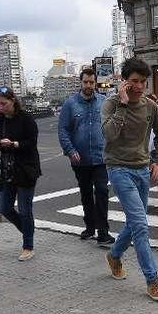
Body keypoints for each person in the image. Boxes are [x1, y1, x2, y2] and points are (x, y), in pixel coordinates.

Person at [101, 57, 158, 301]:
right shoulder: (110, 104)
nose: (139, 86)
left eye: (143, 82)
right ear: (123, 81)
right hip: (118, 169)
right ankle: (153, 281)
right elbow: (109, 135)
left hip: (142, 169)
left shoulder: (150, 107)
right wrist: (121, 104)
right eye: (134, 81)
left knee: (134, 222)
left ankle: (114, 255)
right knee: (140, 224)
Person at [0, 86, 41, 260]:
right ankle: (28, 230)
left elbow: (31, 143)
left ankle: (28, 245)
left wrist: (13, 144)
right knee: (5, 208)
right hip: (4, 169)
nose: (0, 107)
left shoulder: (26, 118)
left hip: (25, 168)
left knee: (25, 210)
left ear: (13, 101)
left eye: (3, 103)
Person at [58, 68, 113, 244]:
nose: (89, 85)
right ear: (80, 83)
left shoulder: (104, 102)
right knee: (86, 194)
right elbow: (63, 130)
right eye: (85, 82)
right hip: (79, 159)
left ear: (95, 83)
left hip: (100, 158)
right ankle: (90, 227)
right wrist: (70, 150)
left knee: (103, 192)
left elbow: (111, 127)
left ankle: (103, 232)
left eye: (91, 82)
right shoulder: (70, 104)